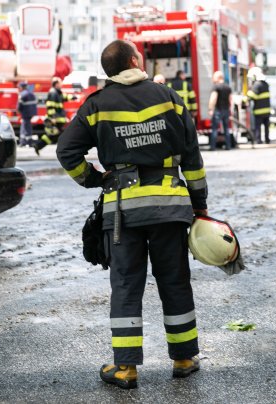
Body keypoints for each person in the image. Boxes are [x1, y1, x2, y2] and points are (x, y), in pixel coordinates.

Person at [56, 39, 208, 389]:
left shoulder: (95, 105)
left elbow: (67, 152)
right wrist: (199, 205)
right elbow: (192, 159)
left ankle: (125, 369)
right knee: (174, 280)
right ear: (135, 60)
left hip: (123, 212)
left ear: (108, 71)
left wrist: (95, 179)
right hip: (170, 208)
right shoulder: (169, 97)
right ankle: (184, 358)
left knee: (126, 284)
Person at [34, 77, 73, 155]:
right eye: (60, 83)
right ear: (56, 84)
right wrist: (52, 118)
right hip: (55, 119)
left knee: (52, 136)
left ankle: (38, 145)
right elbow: (50, 106)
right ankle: (68, 152)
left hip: (59, 119)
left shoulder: (57, 92)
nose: (62, 84)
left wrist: (73, 97)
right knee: (62, 135)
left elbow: (64, 97)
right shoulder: (53, 93)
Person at [208, 71, 233, 151]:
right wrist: (230, 110)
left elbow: (213, 98)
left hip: (218, 110)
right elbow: (230, 100)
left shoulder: (216, 87)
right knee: (226, 129)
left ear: (218, 78)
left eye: (214, 77)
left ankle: (213, 147)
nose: (213, 79)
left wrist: (210, 109)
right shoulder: (228, 87)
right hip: (226, 110)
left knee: (215, 129)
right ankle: (228, 146)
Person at [247, 67, 271, 144]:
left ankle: (258, 140)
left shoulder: (257, 85)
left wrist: (245, 97)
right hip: (267, 110)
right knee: (266, 127)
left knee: (258, 127)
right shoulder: (266, 84)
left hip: (259, 110)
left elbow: (253, 96)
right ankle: (267, 140)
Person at [16, 82, 37, 147]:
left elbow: (20, 105)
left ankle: (23, 142)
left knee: (24, 126)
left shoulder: (22, 94)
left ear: (22, 87)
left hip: (25, 113)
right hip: (31, 113)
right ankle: (28, 141)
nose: (18, 89)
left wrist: (18, 111)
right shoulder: (31, 94)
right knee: (27, 126)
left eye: (19, 87)